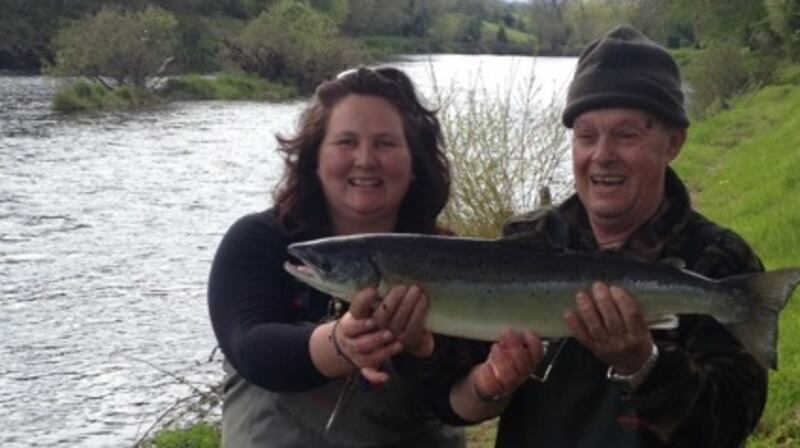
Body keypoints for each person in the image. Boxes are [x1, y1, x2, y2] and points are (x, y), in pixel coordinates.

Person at [387, 25, 768, 447]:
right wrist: (466, 369)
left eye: (626, 135)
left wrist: (645, 365)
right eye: (586, 135)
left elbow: (730, 426)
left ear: (673, 142)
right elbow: (449, 398)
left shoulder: (719, 261)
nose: (602, 155)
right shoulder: (526, 238)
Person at [207, 66, 464, 447]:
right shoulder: (260, 242)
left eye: (386, 143)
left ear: (415, 164)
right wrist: (341, 344)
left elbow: (459, 393)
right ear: (314, 157)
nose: (365, 159)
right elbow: (252, 347)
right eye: (346, 142)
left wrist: (425, 355)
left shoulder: (450, 261)